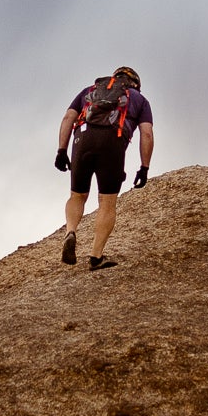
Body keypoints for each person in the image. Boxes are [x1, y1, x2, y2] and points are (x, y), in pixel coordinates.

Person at [55, 66, 154, 270]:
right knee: (107, 202)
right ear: (136, 84)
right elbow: (147, 134)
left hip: (82, 139)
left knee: (77, 195)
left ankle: (71, 232)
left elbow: (67, 118)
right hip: (113, 143)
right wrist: (144, 167)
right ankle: (96, 256)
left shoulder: (88, 91)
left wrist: (61, 151)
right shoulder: (140, 100)